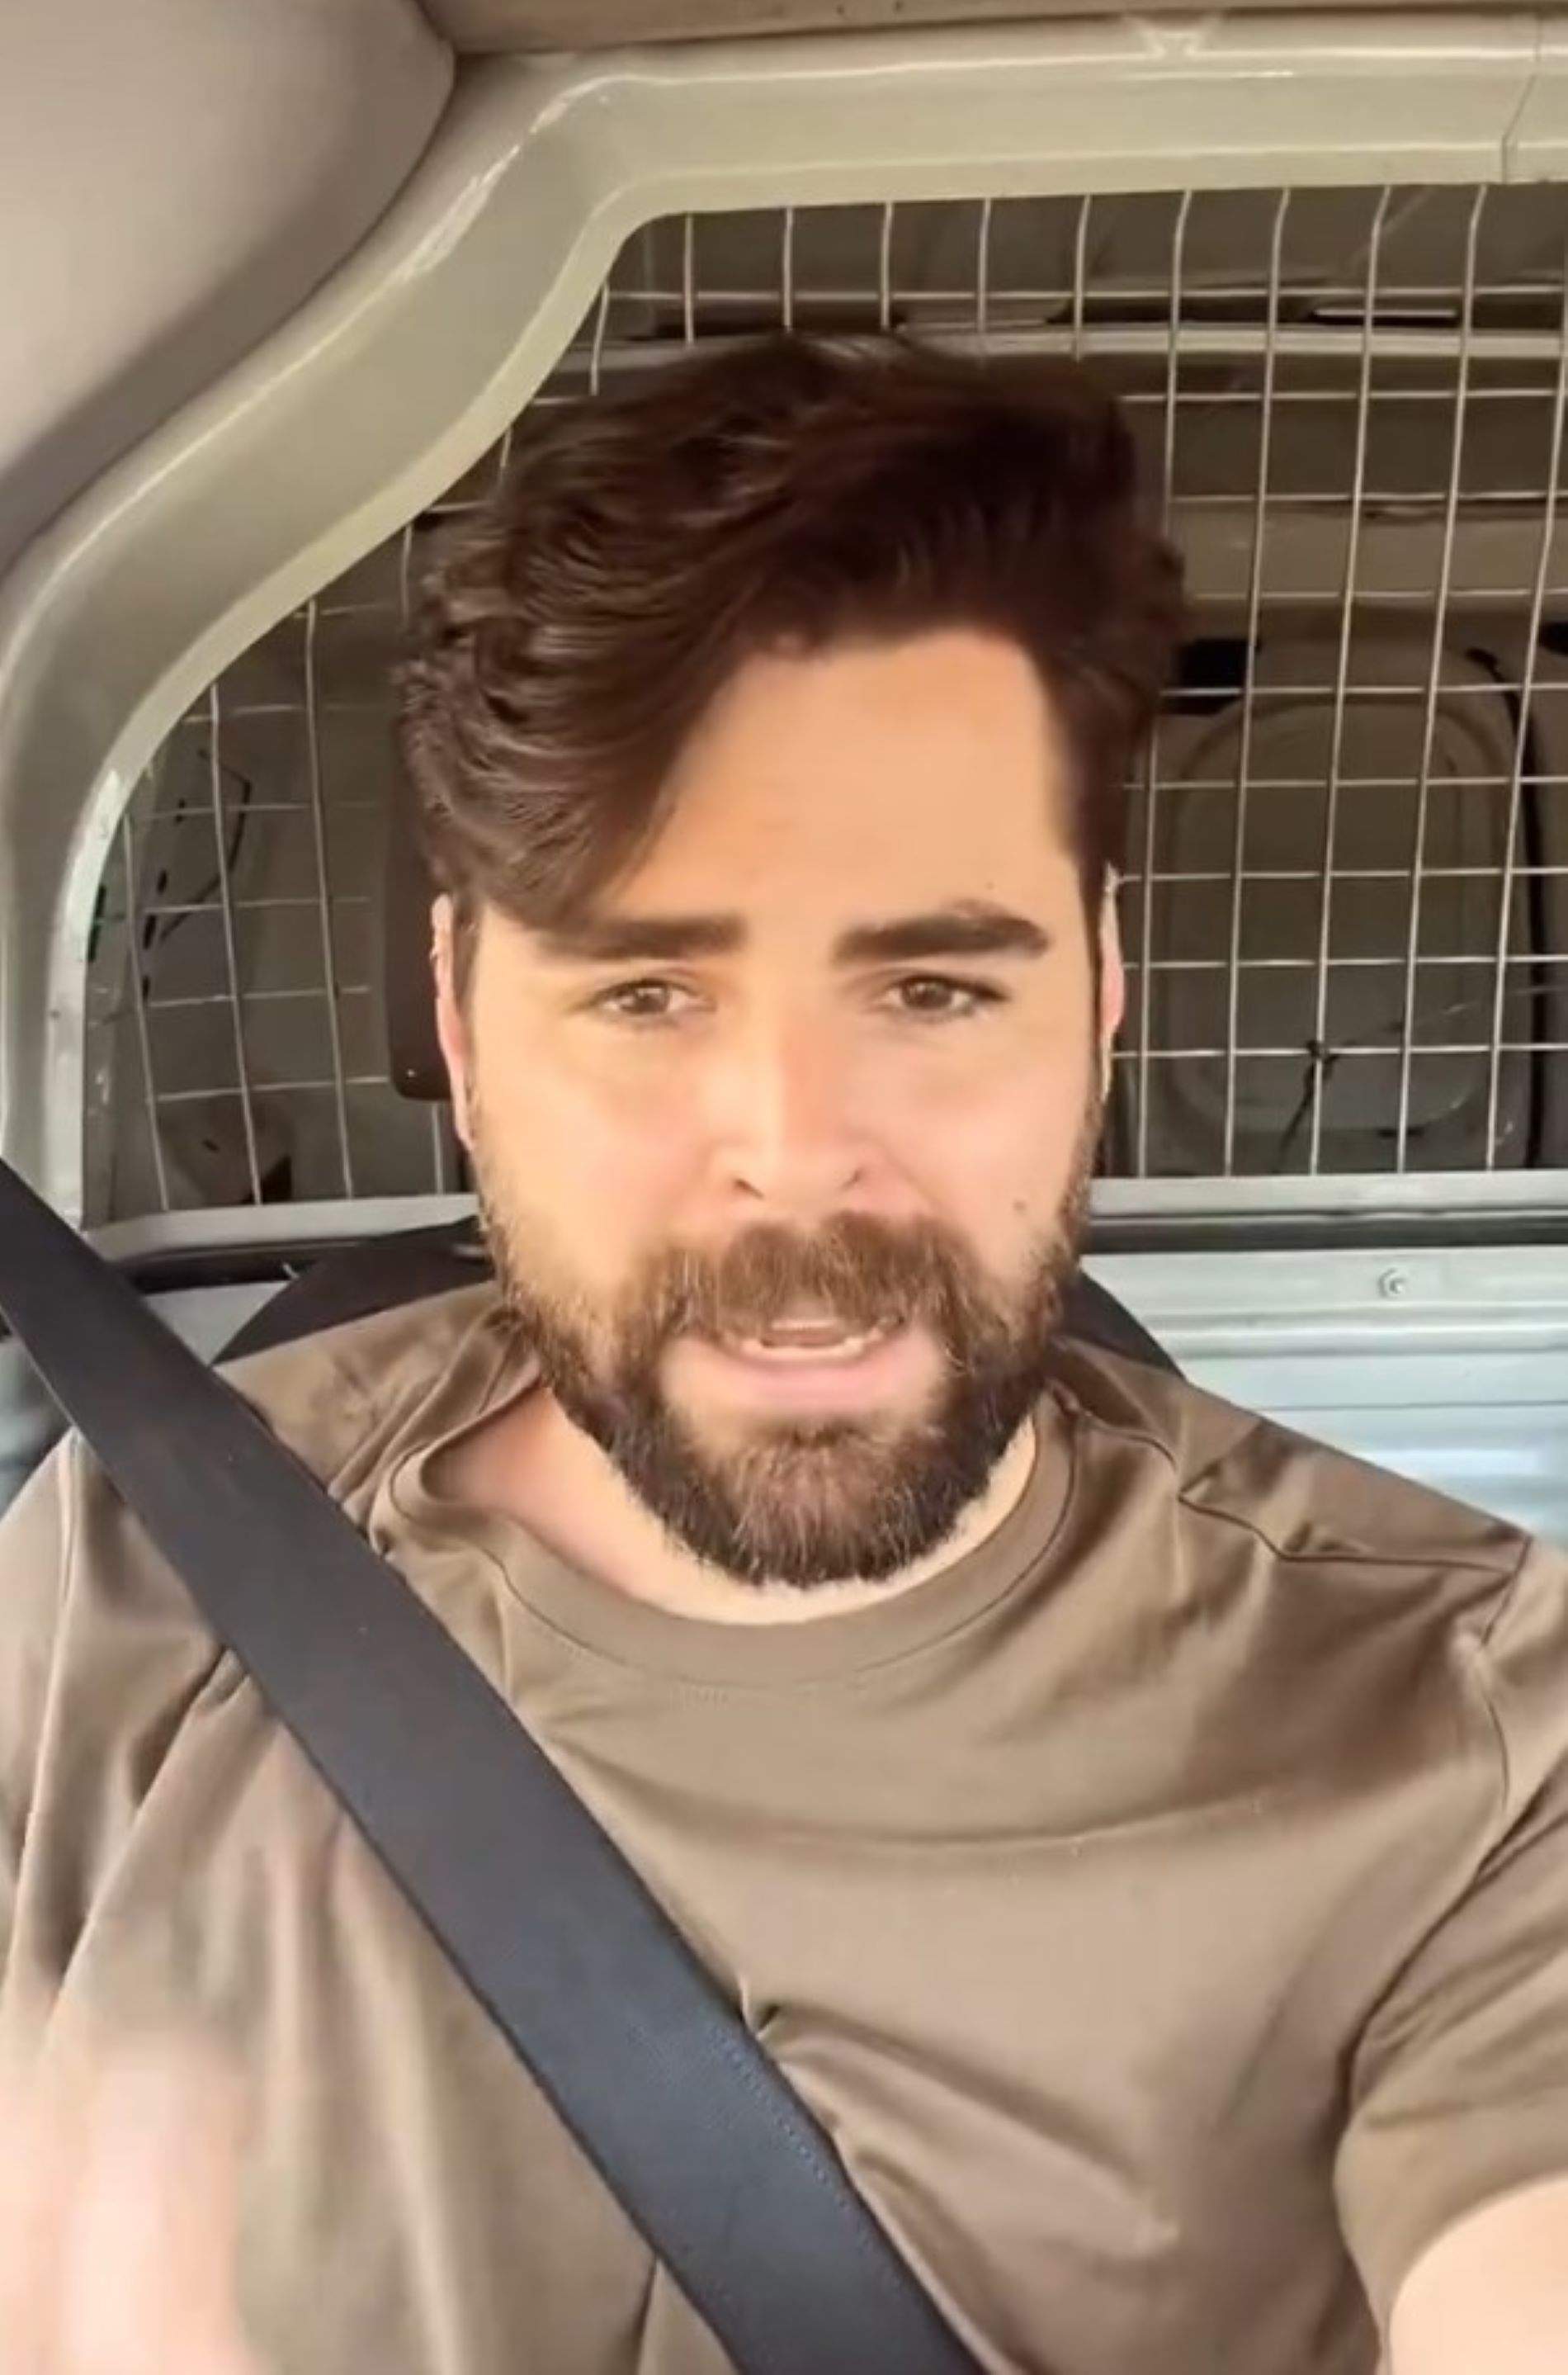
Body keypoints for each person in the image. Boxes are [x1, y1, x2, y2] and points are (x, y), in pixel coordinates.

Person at [2, 334, 1566, 2375]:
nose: (794, 1151)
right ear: (459, 1018)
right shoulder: (128, 1580)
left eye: (928, 986)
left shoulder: (1474, 1726)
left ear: (1099, 991)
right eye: (646, 994)